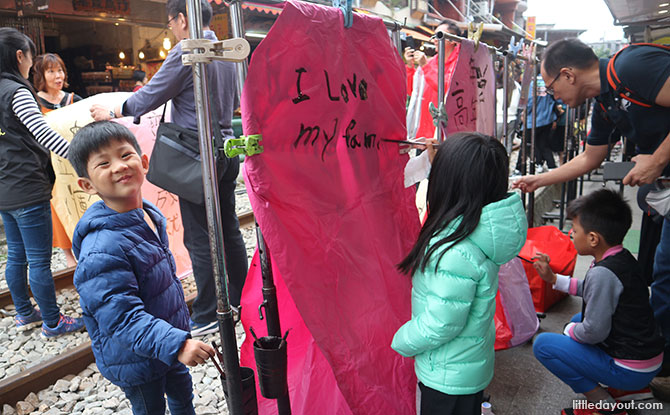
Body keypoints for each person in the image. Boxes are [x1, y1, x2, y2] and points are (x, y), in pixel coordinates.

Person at [510, 39, 670, 393]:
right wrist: (538, 179)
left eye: (551, 88)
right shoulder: (605, 102)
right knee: (661, 277)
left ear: (567, 74)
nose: (553, 98)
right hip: (662, 196)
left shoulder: (633, 65)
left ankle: (633, 382)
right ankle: (657, 366)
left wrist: (657, 159)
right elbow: (589, 159)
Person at [89, 0, 248, 336]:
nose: (173, 31)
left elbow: (150, 96)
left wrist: (114, 110)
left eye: (172, 25)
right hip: (227, 150)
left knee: (200, 235)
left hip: (197, 155)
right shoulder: (226, 52)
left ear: (180, 19)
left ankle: (208, 311)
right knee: (228, 228)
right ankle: (241, 297)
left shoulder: (186, 50)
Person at [68, 121, 215, 415]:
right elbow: (121, 318)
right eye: (103, 163)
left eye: (125, 155)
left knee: (183, 398)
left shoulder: (148, 214)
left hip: (168, 340)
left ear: (143, 162)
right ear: (87, 185)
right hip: (135, 357)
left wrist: (176, 340)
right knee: (150, 408)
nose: (119, 166)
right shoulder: (102, 248)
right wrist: (177, 345)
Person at [391, 132, 527, 415]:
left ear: (448, 183)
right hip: (469, 368)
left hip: (445, 376)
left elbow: (443, 323)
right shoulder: (481, 232)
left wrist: (401, 339)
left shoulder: (453, 250)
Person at [532, 189, 664, 415]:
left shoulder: (603, 273)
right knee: (577, 319)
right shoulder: (620, 257)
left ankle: (604, 405)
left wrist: (569, 330)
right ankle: (624, 389)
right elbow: (592, 290)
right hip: (647, 358)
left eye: (574, 230)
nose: (571, 234)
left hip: (631, 368)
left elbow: (593, 332)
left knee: (544, 345)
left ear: (593, 238)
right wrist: (553, 279)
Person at [0, 28, 85, 338]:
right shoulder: (17, 91)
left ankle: (25, 313)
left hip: (4, 187)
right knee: (38, 259)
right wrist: (81, 158)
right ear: (19, 56)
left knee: (16, 256)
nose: (31, 66)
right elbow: (43, 133)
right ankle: (52, 321)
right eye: (30, 58)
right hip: (27, 185)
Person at [32, 52, 83, 268]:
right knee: (59, 205)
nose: (57, 75)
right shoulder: (33, 102)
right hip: (50, 168)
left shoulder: (73, 99)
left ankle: (83, 248)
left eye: (60, 70)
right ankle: (68, 255)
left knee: (79, 202)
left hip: (74, 163)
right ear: (41, 75)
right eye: (51, 71)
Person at [404, 20, 461, 140]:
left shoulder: (459, 64)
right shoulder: (430, 63)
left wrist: (425, 66)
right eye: (434, 35)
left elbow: (449, 91)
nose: (435, 39)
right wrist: (410, 67)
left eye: (440, 36)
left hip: (445, 133)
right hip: (424, 132)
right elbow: (412, 92)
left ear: (452, 40)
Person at [513, 74, 557, 175]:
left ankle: (519, 169)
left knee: (525, 145)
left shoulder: (531, 84)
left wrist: (524, 114)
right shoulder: (548, 81)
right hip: (547, 119)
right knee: (542, 143)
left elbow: (529, 102)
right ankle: (550, 166)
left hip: (532, 120)